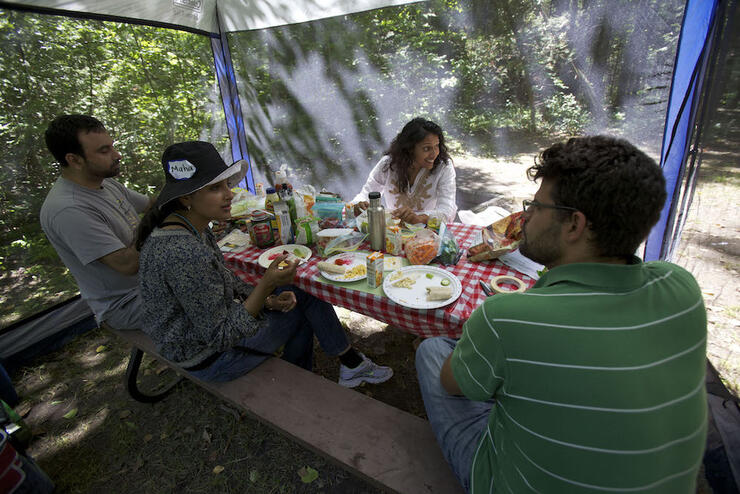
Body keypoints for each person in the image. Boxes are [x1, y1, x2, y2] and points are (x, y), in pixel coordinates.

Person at [415, 136, 707, 493]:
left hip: (509, 483)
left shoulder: (506, 317)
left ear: (574, 225)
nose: (525, 216)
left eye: (535, 207)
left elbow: (451, 385)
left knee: (432, 352)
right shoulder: (683, 289)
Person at [136, 141, 393, 386]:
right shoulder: (182, 252)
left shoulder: (191, 227)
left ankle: (331, 368)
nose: (230, 194)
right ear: (185, 198)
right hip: (209, 359)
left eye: (227, 184)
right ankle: (308, 377)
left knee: (295, 294)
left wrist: (268, 299)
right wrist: (267, 284)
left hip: (202, 341)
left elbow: (226, 280)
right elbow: (221, 336)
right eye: (215, 188)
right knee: (301, 305)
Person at [40, 115, 151, 330]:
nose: (117, 155)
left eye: (112, 147)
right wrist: (154, 223)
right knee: (207, 297)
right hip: (125, 303)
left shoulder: (105, 184)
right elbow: (127, 265)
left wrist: (188, 189)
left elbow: (151, 205)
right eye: (104, 151)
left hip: (151, 281)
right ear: (74, 160)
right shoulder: (68, 209)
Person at [352, 117, 457, 224]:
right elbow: (366, 194)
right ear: (410, 148)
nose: (434, 154)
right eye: (427, 148)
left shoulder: (443, 167)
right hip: (393, 231)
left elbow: (447, 209)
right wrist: (359, 204)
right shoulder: (388, 164)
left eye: (437, 146)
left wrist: (420, 219)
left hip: (429, 234)